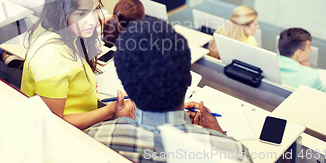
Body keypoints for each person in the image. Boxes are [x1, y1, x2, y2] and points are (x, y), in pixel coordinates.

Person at [86, 17, 252, 163]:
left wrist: (119, 122)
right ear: (189, 79)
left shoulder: (95, 137)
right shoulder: (234, 153)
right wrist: (218, 136)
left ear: (126, 86)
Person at [20, 0, 135, 130]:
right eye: (81, 14)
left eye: (95, 10)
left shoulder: (55, 29)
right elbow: (53, 124)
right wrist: (110, 111)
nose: (93, 21)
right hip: (73, 137)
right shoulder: (52, 56)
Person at [277, 28, 326, 93]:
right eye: (309, 46)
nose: (310, 49)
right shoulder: (311, 77)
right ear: (299, 53)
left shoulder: (270, 65)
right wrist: (306, 71)